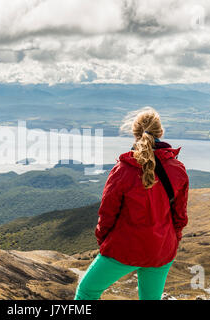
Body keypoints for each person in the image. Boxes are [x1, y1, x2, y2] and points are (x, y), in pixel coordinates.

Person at [75, 107, 189, 300]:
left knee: (87, 292)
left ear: (135, 133)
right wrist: (172, 240)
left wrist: (105, 244)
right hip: (161, 250)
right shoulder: (177, 170)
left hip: (124, 248)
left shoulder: (123, 170)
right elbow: (180, 216)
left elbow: (107, 214)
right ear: (161, 133)